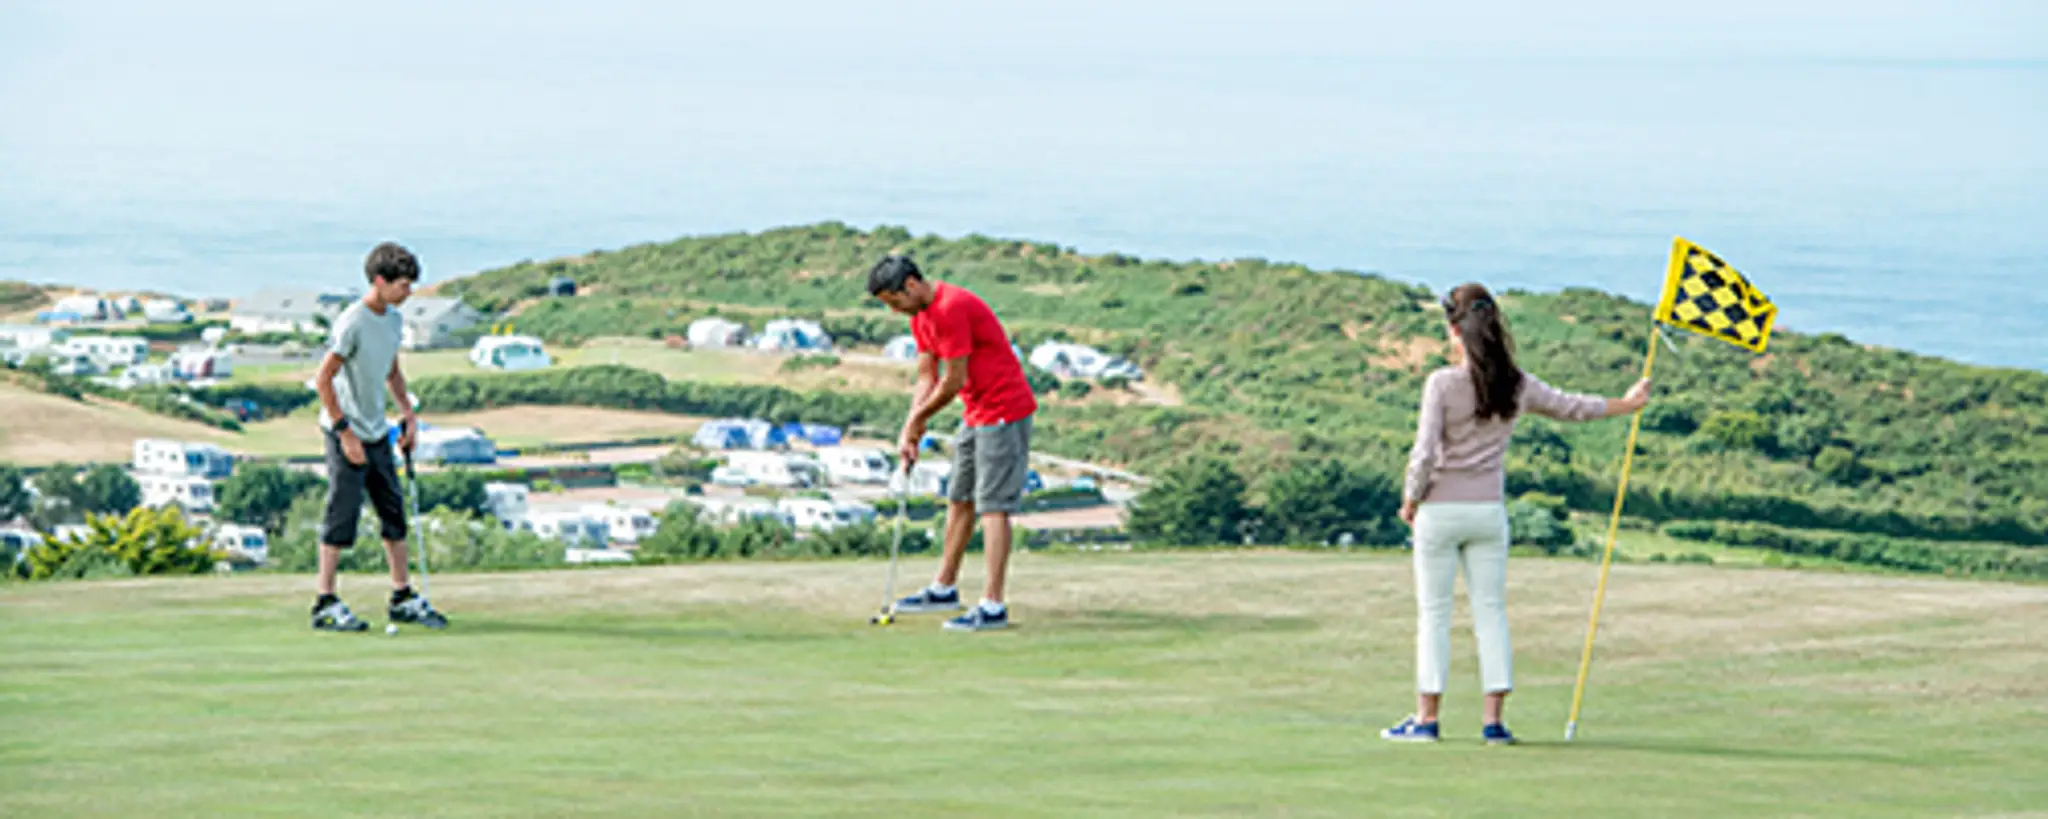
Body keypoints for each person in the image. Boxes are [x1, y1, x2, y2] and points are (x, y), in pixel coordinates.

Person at [1381, 283, 1651, 744]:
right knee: (1491, 613)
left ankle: (1427, 720)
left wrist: (1410, 500)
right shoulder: (1517, 384)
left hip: (1440, 511)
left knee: (1434, 615)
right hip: (1488, 512)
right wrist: (1627, 404)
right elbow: (1573, 407)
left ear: (1454, 330)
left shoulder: (1442, 383)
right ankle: (1493, 723)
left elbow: (1423, 453)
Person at [867, 255, 1039, 632]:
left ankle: (993, 606)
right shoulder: (920, 317)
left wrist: (920, 419)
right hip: (976, 413)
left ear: (911, 285)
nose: (894, 311)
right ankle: (944, 588)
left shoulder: (951, 308)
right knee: (960, 498)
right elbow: (926, 376)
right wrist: (910, 428)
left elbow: (953, 379)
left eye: (894, 302)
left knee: (993, 507)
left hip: (1004, 411)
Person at [308, 242, 448, 632]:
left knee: (393, 513)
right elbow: (323, 379)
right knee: (342, 515)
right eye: (403, 285)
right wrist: (344, 433)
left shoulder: (393, 320)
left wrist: (408, 415)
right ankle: (324, 602)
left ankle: (402, 596)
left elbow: (391, 370)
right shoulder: (352, 322)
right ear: (380, 281)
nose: (409, 292)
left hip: (376, 430)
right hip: (345, 431)